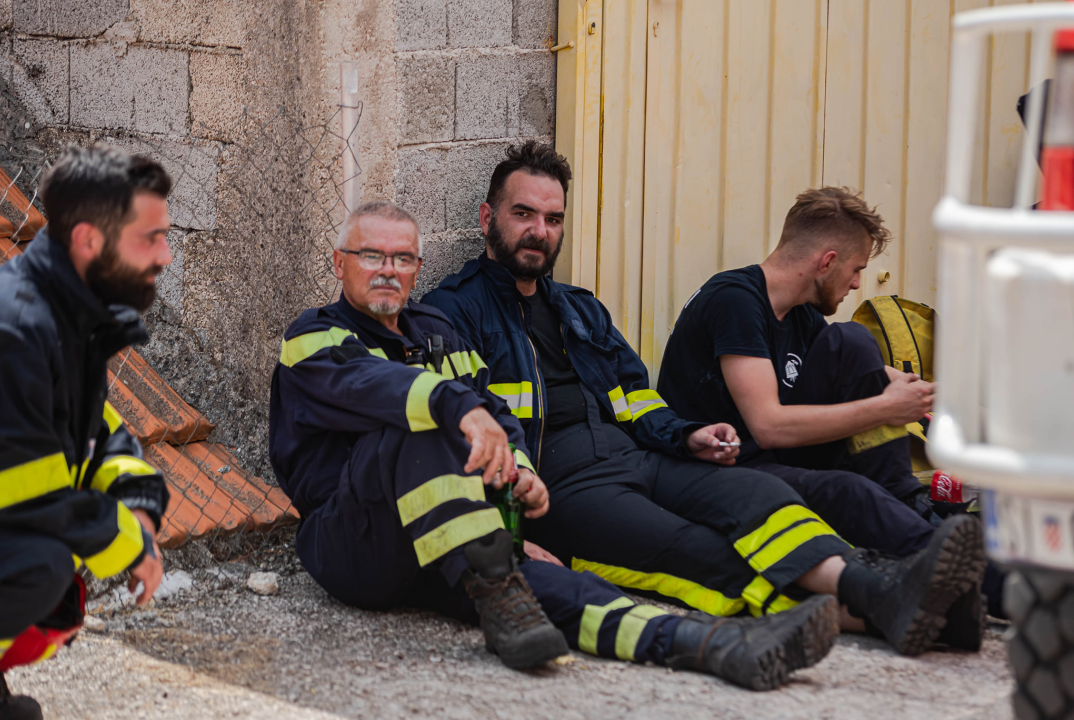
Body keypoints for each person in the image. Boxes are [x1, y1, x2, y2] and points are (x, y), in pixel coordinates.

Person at [422, 141, 987, 657]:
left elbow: (637, 399)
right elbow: (459, 435)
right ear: (487, 219)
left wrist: (685, 434)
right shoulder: (453, 313)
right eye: (524, 214)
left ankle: (883, 589)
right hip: (561, 491)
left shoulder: (580, 308)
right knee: (693, 547)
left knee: (756, 492)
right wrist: (511, 535)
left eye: (553, 218)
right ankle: (891, 615)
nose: (539, 231)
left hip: (639, 457)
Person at [268, 200, 848, 692]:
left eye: (403, 258)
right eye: (372, 256)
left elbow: (496, 414)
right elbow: (379, 388)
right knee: (415, 422)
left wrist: (518, 480)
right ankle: (497, 578)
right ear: (339, 263)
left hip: (447, 545)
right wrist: (459, 408)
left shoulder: (438, 335)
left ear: (418, 268)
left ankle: (712, 646)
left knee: (572, 591)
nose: (388, 270)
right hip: (352, 544)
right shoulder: (313, 336)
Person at [656, 186, 1004, 619]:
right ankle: (993, 587)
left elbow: (875, 377)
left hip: (773, 457)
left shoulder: (801, 313)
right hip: (719, 467)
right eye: (856, 269)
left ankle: (908, 503)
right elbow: (768, 426)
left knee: (853, 341)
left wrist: (931, 398)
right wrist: (886, 408)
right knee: (851, 491)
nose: (858, 282)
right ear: (827, 261)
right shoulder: (735, 300)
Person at [0, 145, 172, 720]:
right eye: (150, 238)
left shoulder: (68, 314)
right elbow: (28, 496)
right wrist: (129, 544)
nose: (165, 255)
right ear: (89, 240)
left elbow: (97, 429)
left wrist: (137, 501)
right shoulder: (16, 329)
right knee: (39, 564)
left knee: (51, 568)